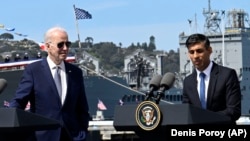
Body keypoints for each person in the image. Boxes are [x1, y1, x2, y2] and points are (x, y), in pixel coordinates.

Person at [9, 26, 90, 141]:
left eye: (68, 44)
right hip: (42, 137)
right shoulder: (33, 71)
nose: (65, 48)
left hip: (72, 136)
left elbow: (82, 108)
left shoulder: (76, 72)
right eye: (60, 44)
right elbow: (19, 101)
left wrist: (82, 133)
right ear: (48, 46)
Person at [182, 33, 241, 123]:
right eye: (191, 52)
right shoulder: (188, 81)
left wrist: (206, 119)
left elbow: (234, 111)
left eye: (199, 51)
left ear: (209, 50)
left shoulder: (227, 75)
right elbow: (186, 113)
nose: (195, 56)